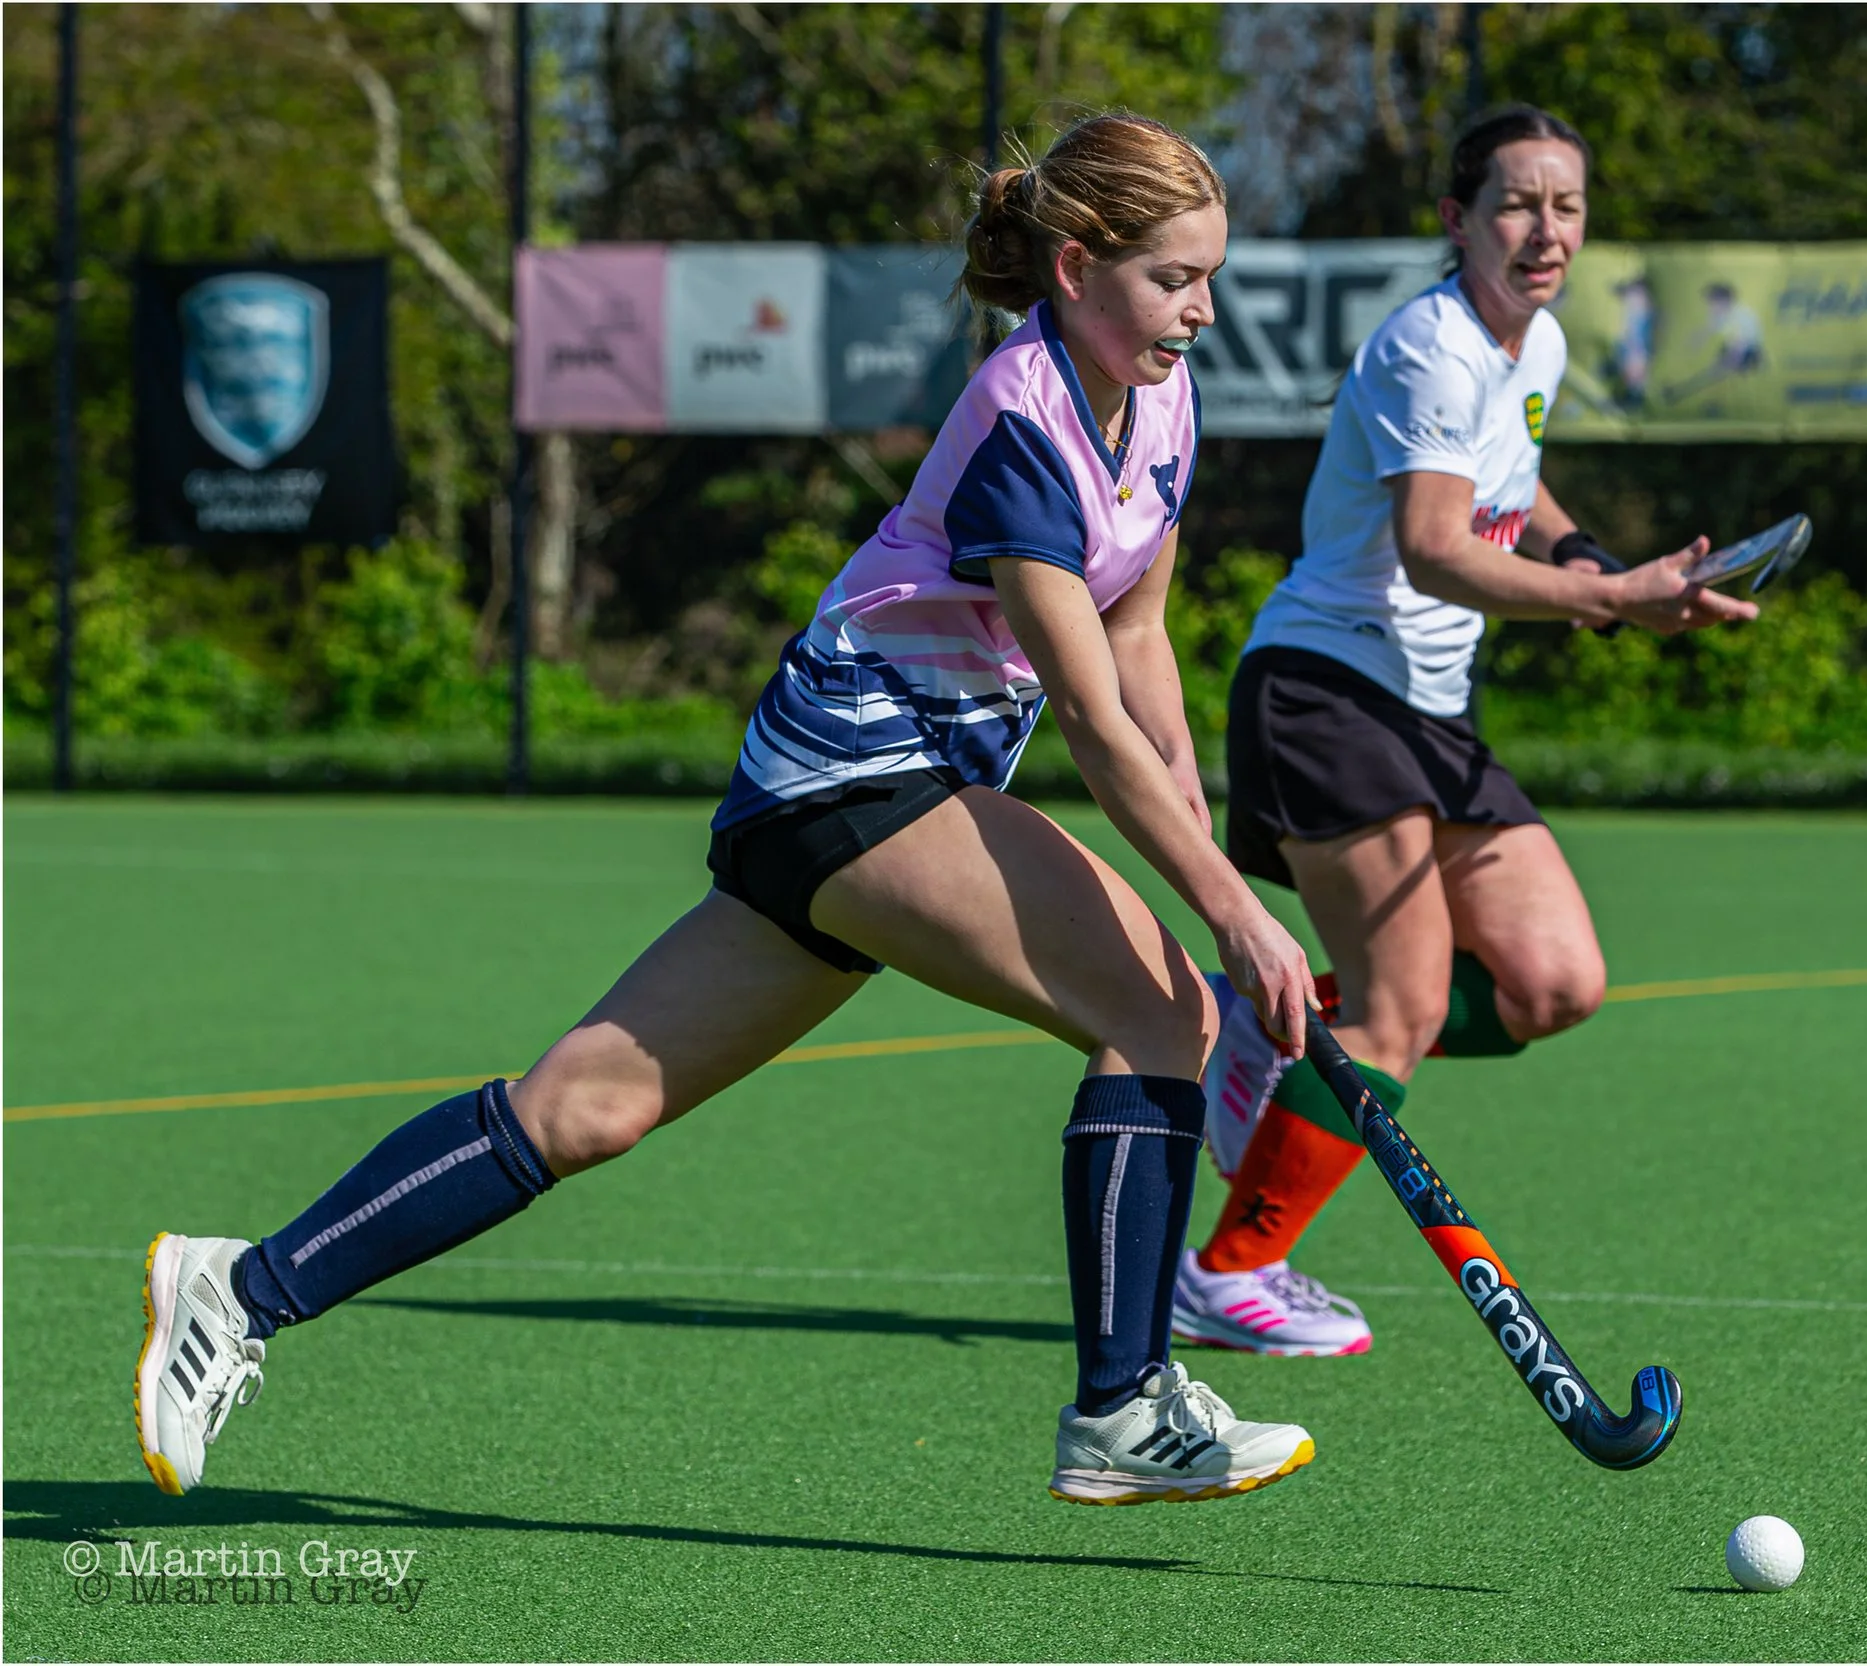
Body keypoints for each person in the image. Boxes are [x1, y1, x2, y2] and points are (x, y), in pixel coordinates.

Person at [135, 113, 1325, 1508]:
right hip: (864, 775)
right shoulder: (1024, 415)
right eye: (1173, 279)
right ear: (1075, 267)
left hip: (841, 796)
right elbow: (1085, 721)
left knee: (578, 1111)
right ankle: (1123, 1405)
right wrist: (1233, 915)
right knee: (1164, 1016)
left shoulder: (1163, 398)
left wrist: (1206, 864)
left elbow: (1140, 654)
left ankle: (241, 1287)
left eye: (1210, 278)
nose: (1199, 310)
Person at [1170, 105, 1758, 1358]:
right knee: (1402, 1008)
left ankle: (1268, 1031)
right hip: (1328, 692)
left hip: (1431, 710)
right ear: (1457, 219)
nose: (1546, 231)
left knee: (1555, 984)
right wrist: (1614, 603)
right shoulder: (1427, 348)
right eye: (1517, 204)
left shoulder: (1527, 341)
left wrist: (1587, 553)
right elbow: (1436, 551)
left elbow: (1511, 483)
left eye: (1567, 206)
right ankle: (1228, 1269)